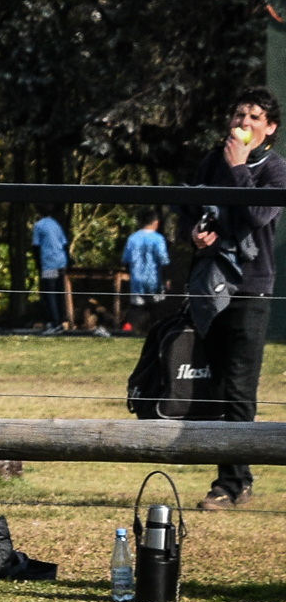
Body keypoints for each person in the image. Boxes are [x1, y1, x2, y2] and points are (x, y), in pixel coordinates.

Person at [181, 87, 286, 511]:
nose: (243, 123)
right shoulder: (212, 160)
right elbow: (190, 206)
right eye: (239, 115)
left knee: (240, 389)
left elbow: (258, 214)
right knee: (219, 385)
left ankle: (228, 484)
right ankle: (238, 478)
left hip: (251, 290)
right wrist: (196, 231)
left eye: (253, 118)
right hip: (213, 287)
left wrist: (240, 168)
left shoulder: (275, 169)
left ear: (270, 128)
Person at [122, 208, 169, 333]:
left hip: (137, 280)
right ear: (156, 222)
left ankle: (126, 329)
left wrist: (131, 274)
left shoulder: (132, 238)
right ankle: (157, 331)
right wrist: (167, 278)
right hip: (154, 279)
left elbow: (126, 260)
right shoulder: (158, 239)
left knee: (136, 307)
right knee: (156, 307)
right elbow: (163, 260)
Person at [33, 204, 70, 334]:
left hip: (49, 263)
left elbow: (36, 247)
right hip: (61, 262)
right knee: (59, 292)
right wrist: (67, 261)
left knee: (49, 293)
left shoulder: (39, 225)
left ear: (38, 212)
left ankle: (54, 322)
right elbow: (65, 243)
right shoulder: (56, 224)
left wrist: (38, 265)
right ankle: (61, 320)